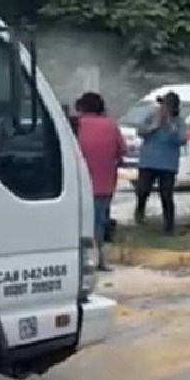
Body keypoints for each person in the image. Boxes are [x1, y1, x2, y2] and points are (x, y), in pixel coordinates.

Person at [74, 92, 125, 271]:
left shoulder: (74, 125)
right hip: (104, 185)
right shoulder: (111, 125)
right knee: (99, 222)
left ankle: (79, 261)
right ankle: (99, 259)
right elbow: (121, 152)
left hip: (77, 185)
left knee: (79, 223)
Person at [134, 91, 187, 234]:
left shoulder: (179, 122)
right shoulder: (152, 116)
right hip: (148, 161)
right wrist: (153, 126)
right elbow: (140, 131)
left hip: (167, 164)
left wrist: (171, 127)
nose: (164, 109)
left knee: (166, 195)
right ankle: (140, 213)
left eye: (167, 106)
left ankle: (169, 226)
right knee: (143, 190)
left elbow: (182, 140)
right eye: (163, 105)